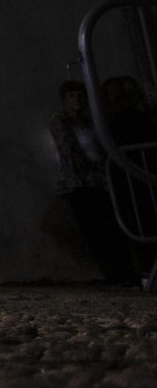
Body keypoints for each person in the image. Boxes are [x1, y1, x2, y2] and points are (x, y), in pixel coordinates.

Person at [50, 79, 137, 284]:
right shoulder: (61, 122)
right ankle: (114, 275)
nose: (77, 101)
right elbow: (70, 151)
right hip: (80, 184)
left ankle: (125, 274)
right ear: (64, 100)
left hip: (99, 182)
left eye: (80, 96)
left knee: (111, 228)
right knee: (96, 232)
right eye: (72, 96)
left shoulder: (90, 123)